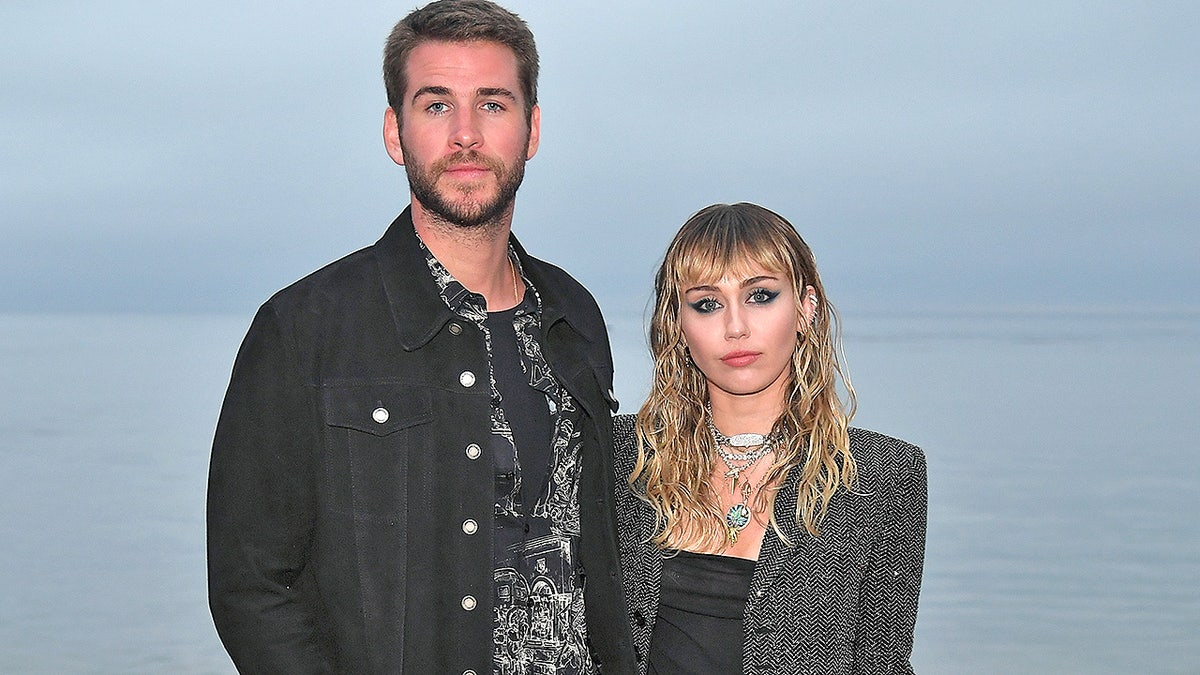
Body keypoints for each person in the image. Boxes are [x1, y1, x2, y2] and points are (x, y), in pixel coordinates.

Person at [206, 1, 635, 672]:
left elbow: (600, 548)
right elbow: (252, 585)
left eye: (493, 104)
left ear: (532, 129)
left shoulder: (574, 313)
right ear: (394, 132)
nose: (465, 134)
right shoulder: (303, 329)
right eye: (436, 106)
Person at [614, 203, 927, 673]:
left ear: (806, 307)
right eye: (707, 303)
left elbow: (881, 663)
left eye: (760, 296)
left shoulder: (881, 475)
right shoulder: (621, 457)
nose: (735, 326)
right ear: (677, 325)